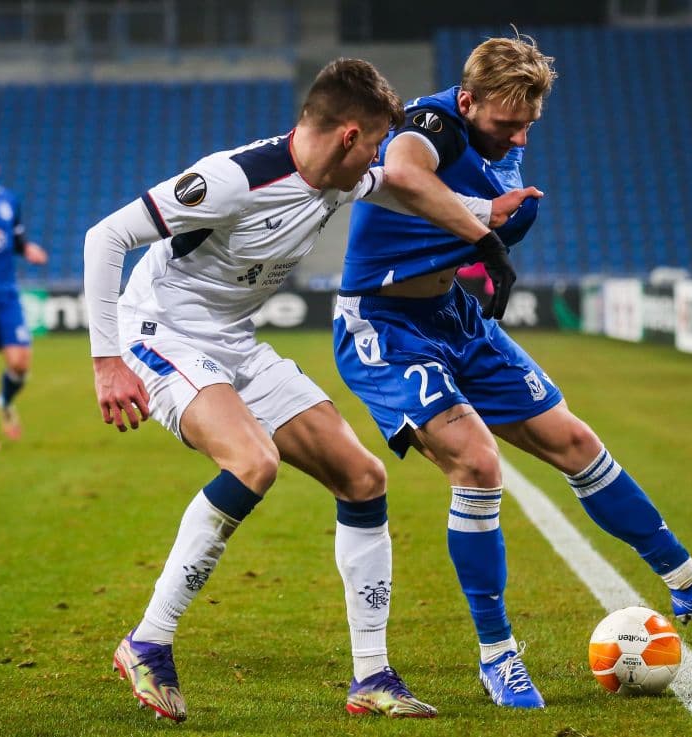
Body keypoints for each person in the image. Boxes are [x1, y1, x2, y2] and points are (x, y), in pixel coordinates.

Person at [83, 59, 538, 723]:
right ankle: (148, 640)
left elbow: (398, 188)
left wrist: (484, 217)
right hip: (160, 333)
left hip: (233, 340)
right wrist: (106, 363)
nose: (382, 154)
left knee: (363, 475)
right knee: (253, 460)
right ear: (348, 135)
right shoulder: (234, 178)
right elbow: (107, 236)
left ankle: (372, 676)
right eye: (379, 140)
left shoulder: (339, 175)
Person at [334, 33, 692, 710]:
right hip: (385, 327)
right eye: (504, 123)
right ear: (468, 98)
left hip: (454, 317)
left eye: (527, 125)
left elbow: (472, 217)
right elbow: (403, 175)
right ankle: (498, 657)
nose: (516, 137)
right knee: (477, 464)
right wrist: (484, 232)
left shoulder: (506, 147)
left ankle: (688, 580)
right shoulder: (430, 124)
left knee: (576, 442)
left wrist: (481, 247)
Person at [0, 147, 48, 452]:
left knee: (19, 363)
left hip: (6, 293)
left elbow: (17, 239)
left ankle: (4, 400)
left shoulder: (8, 201)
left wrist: (28, 250)